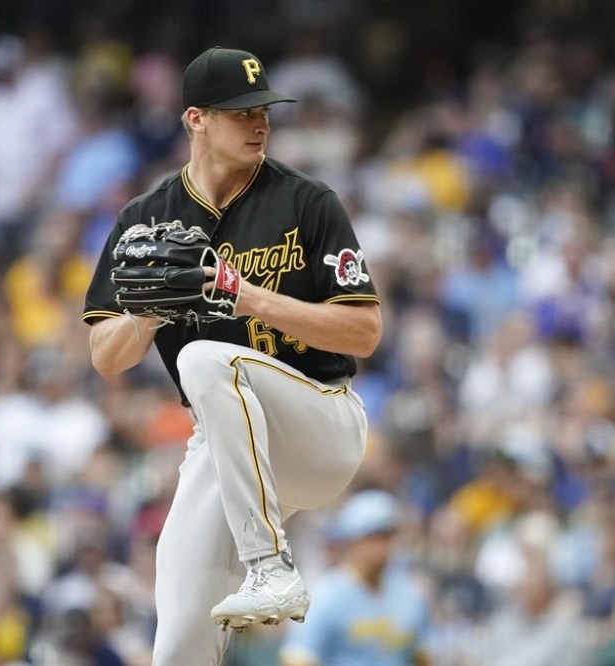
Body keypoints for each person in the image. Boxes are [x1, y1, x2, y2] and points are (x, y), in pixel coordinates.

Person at [82, 46, 382, 666]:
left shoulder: (307, 201)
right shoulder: (146, 220)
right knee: (179, 639)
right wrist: (148, 310)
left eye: (264, 109)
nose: (260, 122)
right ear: (195, 119)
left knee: (203, 359)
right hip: (226, 443)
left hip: (319, 423)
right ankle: (256, 564)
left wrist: (242, 294)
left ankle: (270, 565)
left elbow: (364, 331)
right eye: (241, 111)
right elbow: (106, 357)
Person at [279, 490, 432, 666]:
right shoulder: (325, 596)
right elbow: (298, 659)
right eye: (375, 536)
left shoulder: (409, 594)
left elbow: (423, 657)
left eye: (389, 536)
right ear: (352, 540)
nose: (384, 546)